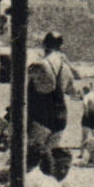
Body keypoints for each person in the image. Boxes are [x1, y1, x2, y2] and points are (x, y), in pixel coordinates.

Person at [28, 31, 82, 165]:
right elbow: (73, 91)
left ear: (44, 45)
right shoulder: (65, 66)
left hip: (41, 116)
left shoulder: (39, 64)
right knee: (49, 159)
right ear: (61, 46)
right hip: (60, 117)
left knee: (33, 157)